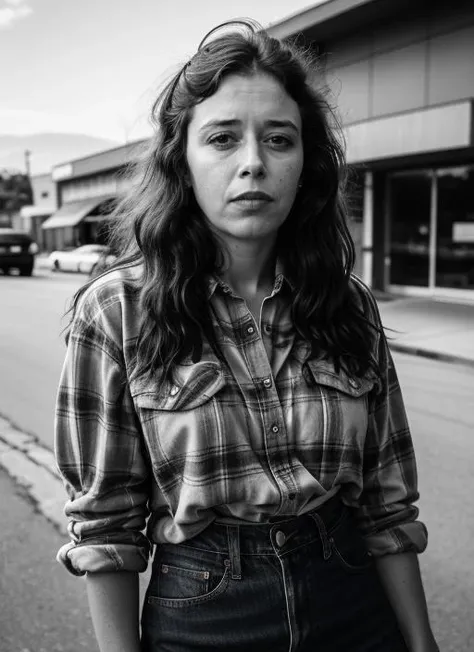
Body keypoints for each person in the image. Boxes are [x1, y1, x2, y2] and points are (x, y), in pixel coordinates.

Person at [54, 19, 439, 652]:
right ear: (183, 158)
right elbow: (105, 529)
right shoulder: (116, 310)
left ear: (305, 163)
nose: (254, 163)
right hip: (204, 613)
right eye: (223, 138)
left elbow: (387, 507)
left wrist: (422, 645)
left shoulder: (349, 306)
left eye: (279, 140)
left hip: (353, 599)